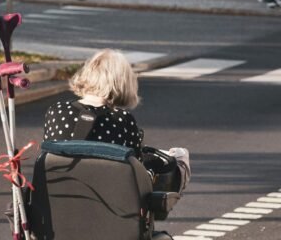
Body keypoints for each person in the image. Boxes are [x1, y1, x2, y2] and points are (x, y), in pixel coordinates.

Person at [43, 49, 190, 190]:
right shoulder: (122, 120)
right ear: (123, 83)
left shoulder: (56, 111)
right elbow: (137, 169)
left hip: (57, 196)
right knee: (174, 160)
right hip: (109, 200)